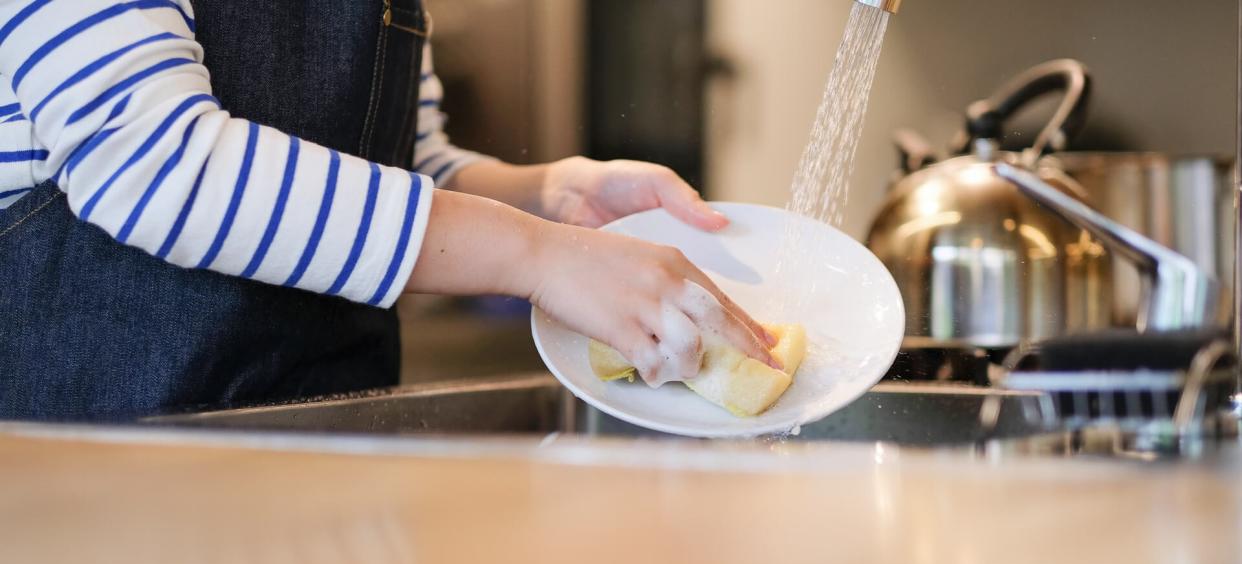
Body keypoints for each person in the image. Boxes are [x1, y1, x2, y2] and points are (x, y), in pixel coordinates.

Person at [0, 0, 777, 421]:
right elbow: (155, 163)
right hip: (103, 466)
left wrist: (548, 198)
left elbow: (398, 169)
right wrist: (538, 256)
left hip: (331, 445)